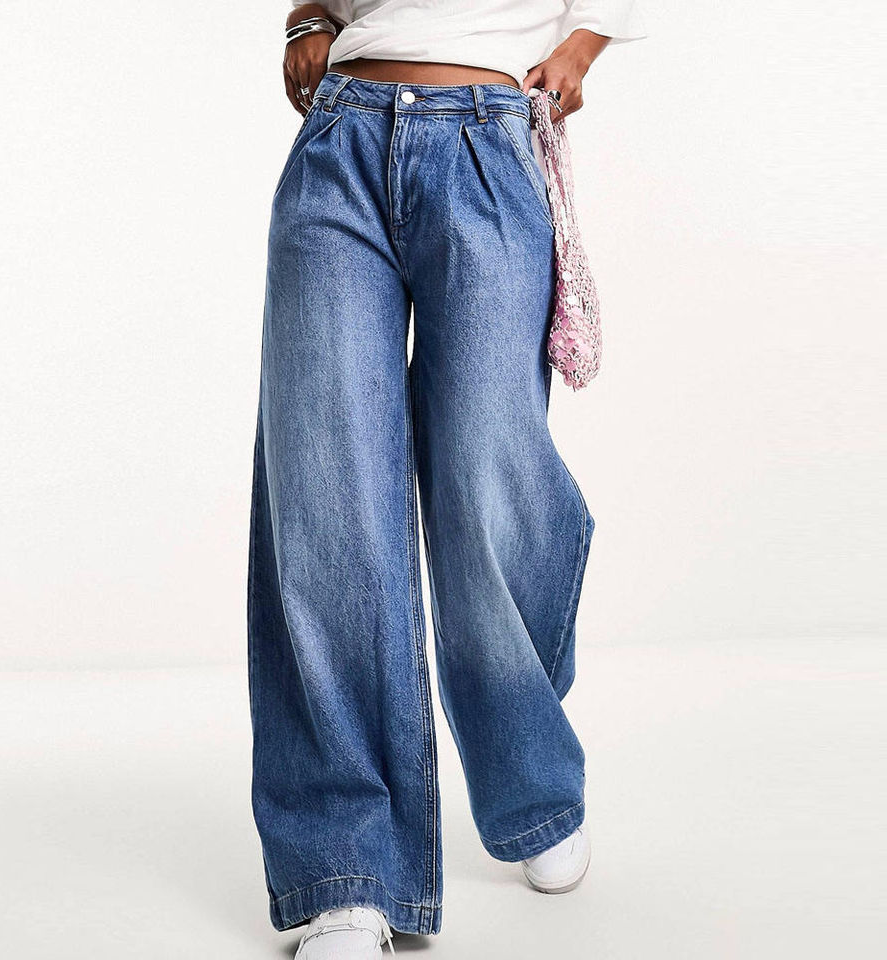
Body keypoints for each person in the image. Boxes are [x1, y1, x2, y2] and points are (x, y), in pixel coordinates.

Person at [248, 2, 645, 956]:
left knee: (489, 484)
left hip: (486, 142)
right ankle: (347, 871)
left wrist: (583, 44)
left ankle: (529, 775)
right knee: (328, 503)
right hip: (339, 142)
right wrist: (306, 17)